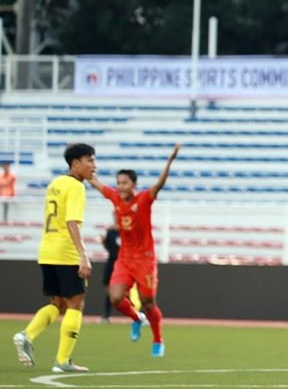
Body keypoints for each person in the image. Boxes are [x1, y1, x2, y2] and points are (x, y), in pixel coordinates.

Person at [88, 144, 180, 357]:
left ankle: (158, 339)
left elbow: (160, 184)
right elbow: (95, 183)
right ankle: (137, 319)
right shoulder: (115, 197)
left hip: (145, 260)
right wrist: (78, 163)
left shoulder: (144, 199)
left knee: (149, 303)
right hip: (125, 259)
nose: (120, 186)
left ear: (133, 184)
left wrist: (170, 161)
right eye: (118, 183)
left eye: (124, 183)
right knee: (116, 297)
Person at [12, 144, 97, 372]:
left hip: (47, 250)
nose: (94, 166)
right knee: (76, 302)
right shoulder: (77, 187)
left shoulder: (55, 183)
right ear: (75, 163)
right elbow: (71, 222)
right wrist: (83, 255)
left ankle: (26, 335)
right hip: (66, 252)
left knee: (58, 304)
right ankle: (62, 361)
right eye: (89, 160)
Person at [99, 222, 121, 323]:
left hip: (125, 262)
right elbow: (109, 248)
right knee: (109, 290)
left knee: (126, 290)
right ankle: (106, 315)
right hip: (112, 262)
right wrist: (104, 242)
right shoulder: (111, 231)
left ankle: (136, 315)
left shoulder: (127, 230)